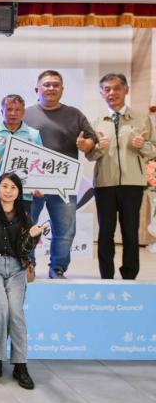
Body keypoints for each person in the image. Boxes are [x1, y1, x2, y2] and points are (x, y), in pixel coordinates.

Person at [0, 172, 46, 390]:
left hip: (16, 269)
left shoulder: (25, 215)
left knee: (16, 313)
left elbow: (23, 250)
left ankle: (20, 365)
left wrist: (32, 236)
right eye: (4, 186)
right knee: (1, 309)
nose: (8, 191)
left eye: (13, 187)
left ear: (18, 192)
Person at [24, 70, 97, 279]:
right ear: (37, 89)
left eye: (56, 85)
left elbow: (91, 139)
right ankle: (27, 266)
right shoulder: (25, 114)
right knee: (26, 227)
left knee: (65, 230)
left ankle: (57, 268)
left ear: (62, 89)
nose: (51, 88)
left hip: (64, 184)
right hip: (32, 185)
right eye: (46, 84)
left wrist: (85, 144)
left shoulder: (75, 114)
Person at [86, 73, 156, 280]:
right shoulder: (96, 122)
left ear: (126, 90)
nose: (112, 93)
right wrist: (98, 147)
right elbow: (90, 155)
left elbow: (153, 149)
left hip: (132, 184)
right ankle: (106, 276)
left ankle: (129, 276)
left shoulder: (141, 119)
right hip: (104, 184)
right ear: (101, 93)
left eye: (116, 88)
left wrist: (141, 145)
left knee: (130, 231)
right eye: (106, 89)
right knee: (105, 232)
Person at [0, 94, 43, 206]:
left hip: (23, 194)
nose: (13, 113)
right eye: (9, 109)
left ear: (23, 112)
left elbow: (40, 164)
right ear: (2, 112)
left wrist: (37, 186)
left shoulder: (33, 135)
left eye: (17, 110)